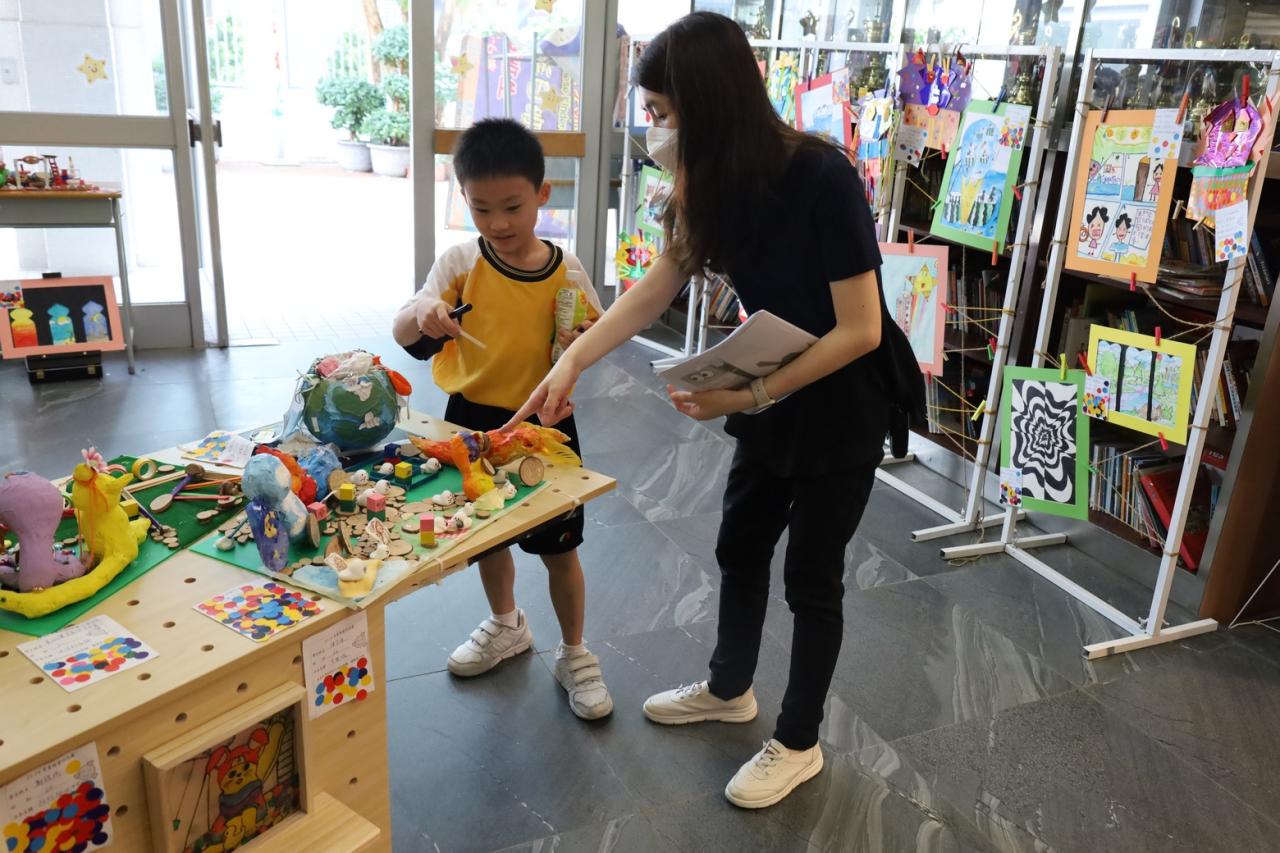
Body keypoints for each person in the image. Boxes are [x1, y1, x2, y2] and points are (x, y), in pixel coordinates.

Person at [505, 12, 923, 808]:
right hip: (767, 372)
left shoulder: (821, 176)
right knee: (740, 541)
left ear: (710, 103)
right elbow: (657, 284)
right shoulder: (709, 183)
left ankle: (798, 741)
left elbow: (862, 329)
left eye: (662, 112)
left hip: (843, 397)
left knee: (812, 575)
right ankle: (730, 688)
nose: (654, 129)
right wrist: (573, 359)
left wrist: (750, 394)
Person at [391, 118, 612, 721]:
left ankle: (575, 651)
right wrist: (425, 311)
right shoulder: (461, 262)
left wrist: (579, 342)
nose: (498, 223)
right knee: (488, 534)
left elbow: (594, 336)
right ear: (463, 198)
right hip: (470, 423)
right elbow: (404, 328)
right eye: (481, 208)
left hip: (545, 424)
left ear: (543, 194)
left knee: (561, 547)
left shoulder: (566, 269)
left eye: (512, 207)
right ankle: (506, 623)